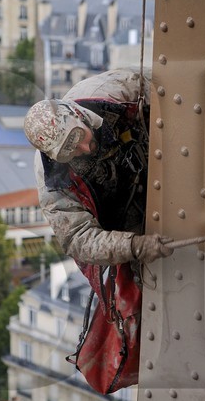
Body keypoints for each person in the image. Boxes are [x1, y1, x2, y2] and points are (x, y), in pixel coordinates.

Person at [24, 67, 172, 266]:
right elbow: (77, 238)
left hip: (163, 151)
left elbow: (169, 87)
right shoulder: (52, 183)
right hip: (118, 219)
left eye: (78, 136)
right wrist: (132, 246)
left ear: (77, 114)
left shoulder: (113, 89)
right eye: (70, 151)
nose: (85, 148)